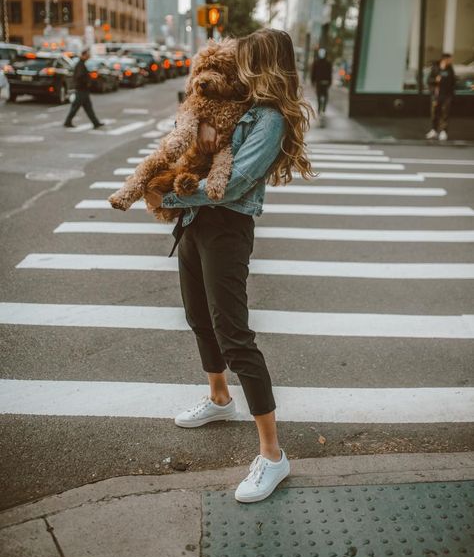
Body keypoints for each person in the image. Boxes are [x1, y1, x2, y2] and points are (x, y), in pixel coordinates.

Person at [144, 29, 314, 504]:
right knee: (198, 317)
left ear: (263, 64)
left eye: (245, 59)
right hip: (196, 220)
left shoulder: (271, 118)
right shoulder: (237, 103)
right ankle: (219, 398)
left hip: (226, 227)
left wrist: (169, 195)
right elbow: (195, 139)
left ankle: (273, 455)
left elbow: (237, 181)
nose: (236, 65)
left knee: (234, 335)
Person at [64, 48, 104, 128]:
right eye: (87, 54)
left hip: (83, 90)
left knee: (88, 108)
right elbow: (79, 77)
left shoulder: (81, 64)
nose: (89, 56)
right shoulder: (80, 65)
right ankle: (67, 122)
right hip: (81, 90)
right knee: (76, 107)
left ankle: (95, 123)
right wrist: (87, 81)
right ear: (84, 55)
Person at [425, 53, 456, 141]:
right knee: (435, 113)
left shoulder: (450, 69)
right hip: (437, 95)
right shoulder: (436, 68)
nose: (450, 61)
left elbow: (453, 81)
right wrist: (435, 80)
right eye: (449, 59)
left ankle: (443, 132)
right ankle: (434, 130)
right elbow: (429, 80)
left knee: (445, 113)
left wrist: (452, 93)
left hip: (447, 95)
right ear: (444, 59)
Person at [310, 48, 332, 125]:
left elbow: (313, 73)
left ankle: (320, 109)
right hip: (323, 81)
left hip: (320, 82)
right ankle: (322, 109)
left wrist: (313, 81)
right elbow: (329, 73)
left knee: (320, 96)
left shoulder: (317, 63)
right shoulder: (326, 63)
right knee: (323, 95)